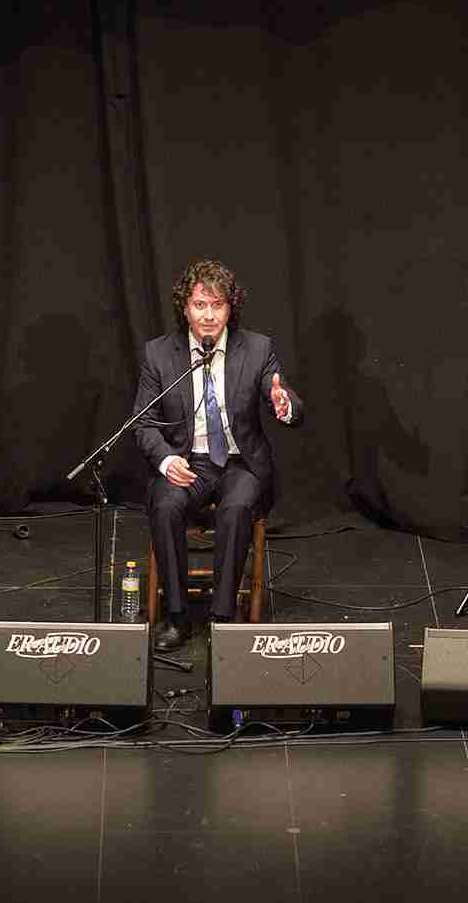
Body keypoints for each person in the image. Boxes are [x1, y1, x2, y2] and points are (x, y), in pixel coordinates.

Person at [133, 259, 302, 652]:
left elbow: (283, 395)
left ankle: (222, 616)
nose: (209, 316)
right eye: (199, 305)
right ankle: (177, 618)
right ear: (185, 308)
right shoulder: (159, 354)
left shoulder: (258, 349)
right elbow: (142, 423)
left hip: (239, 463)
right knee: (165, 505)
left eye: (218, 305)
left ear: (230, 308)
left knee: (239, 505)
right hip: (185, 461)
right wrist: (164, 460)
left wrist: (284, 404)